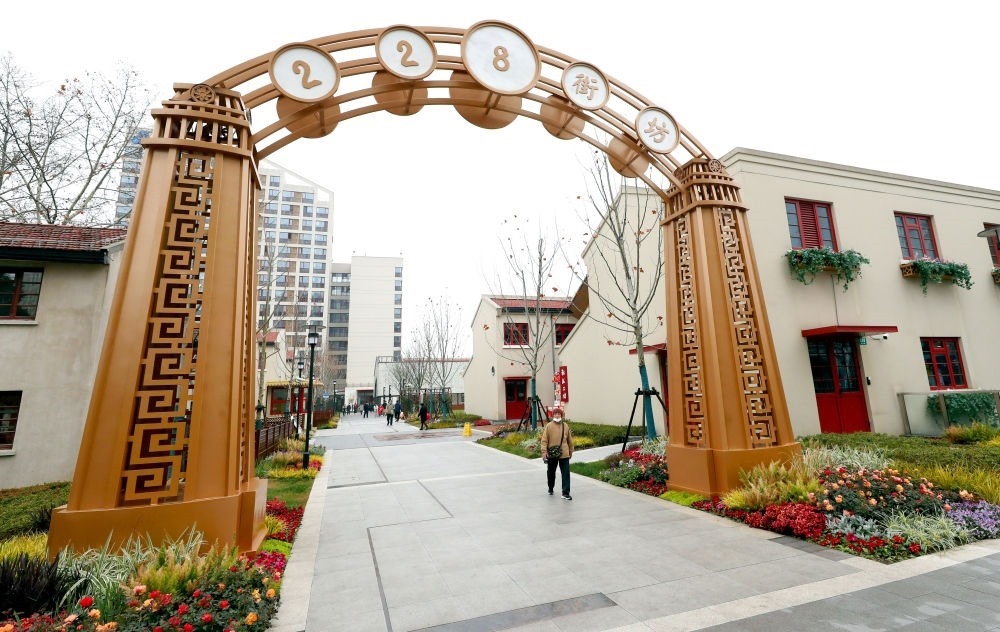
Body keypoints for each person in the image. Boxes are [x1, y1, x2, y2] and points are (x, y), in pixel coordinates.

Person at [540, 408, 574, 500]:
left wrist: (571, 450)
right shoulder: (549, 426)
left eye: (559, 414)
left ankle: (565, 493)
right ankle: (550, 488)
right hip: (552, 454)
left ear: (561, 415)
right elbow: (544, 440)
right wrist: (544, 452)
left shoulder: (565, 426)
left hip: (564, 453)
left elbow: (569, 440)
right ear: (553, 415)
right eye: (555, 414)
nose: (557, 415)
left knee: (566, 473)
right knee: (551, 473)